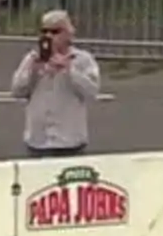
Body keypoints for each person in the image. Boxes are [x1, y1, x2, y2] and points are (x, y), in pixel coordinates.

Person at [9, 9, 101, 158]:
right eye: (44, 31)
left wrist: (69, 70)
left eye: (55, 31)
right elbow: (17, 91)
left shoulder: (83, 59)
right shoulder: (32, 59)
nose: (49, 36)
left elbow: (92, 92)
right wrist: (34, 71)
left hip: (70, 142)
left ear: (68, 34)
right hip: (37, 141)